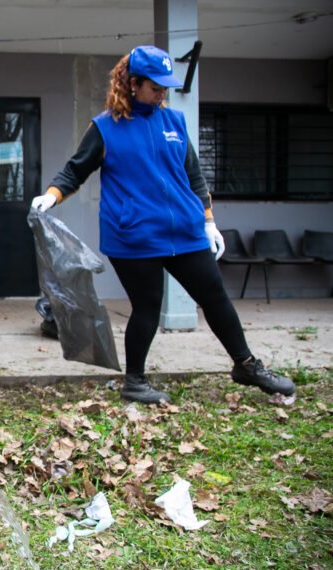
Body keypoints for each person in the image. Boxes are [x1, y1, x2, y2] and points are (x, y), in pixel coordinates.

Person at [33, 45, 294, 405]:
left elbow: (194, 175)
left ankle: (246, 365)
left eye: (165, 87)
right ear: (133, 83)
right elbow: (75, 170)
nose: (162, 93)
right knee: (148, 308)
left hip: (185, 232)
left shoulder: (174, 122)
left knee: (215, 297)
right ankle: (135, 382)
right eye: (155, 86)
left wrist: (208, 222)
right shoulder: (106, 128)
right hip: (134, 237)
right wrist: (52, 196)